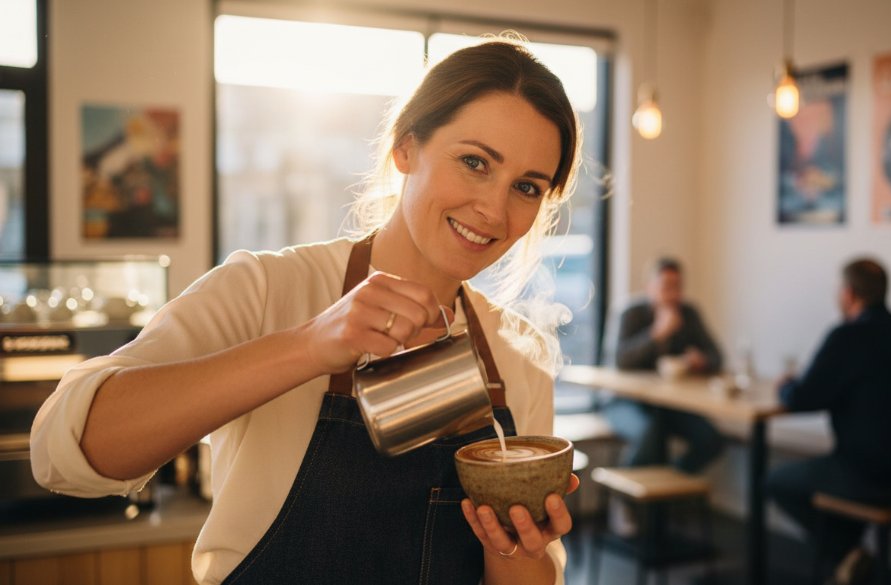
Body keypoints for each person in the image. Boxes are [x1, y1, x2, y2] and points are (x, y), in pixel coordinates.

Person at [31, 40, 582, 585]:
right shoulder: (268, 289)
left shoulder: (517, 354)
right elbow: (62, 451)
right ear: (406, 148)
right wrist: (309, 345)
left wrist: (517, 549)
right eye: (474, 162)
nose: (493, 209)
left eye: (527, 187)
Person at [766, 258, 891, 585]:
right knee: (839, 473)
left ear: (849, 293)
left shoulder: (847, 336)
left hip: (875, 477)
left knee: (776, 481)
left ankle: (846, 553)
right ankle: (849, 564)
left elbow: (802, 399)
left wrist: (784, 385)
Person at [605, 257, 726, 473]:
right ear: (649, 288)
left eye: (677, 287)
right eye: (665, 286)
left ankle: (669, 483)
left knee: (711, 439)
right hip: (624, 401)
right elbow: (621, 361)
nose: (672, 294)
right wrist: (656, 334)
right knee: (650, 434)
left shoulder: (688, 314)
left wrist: (701, 360)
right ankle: (625, 498)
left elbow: (716, 356)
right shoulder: (632, 313)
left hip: (668, 404)